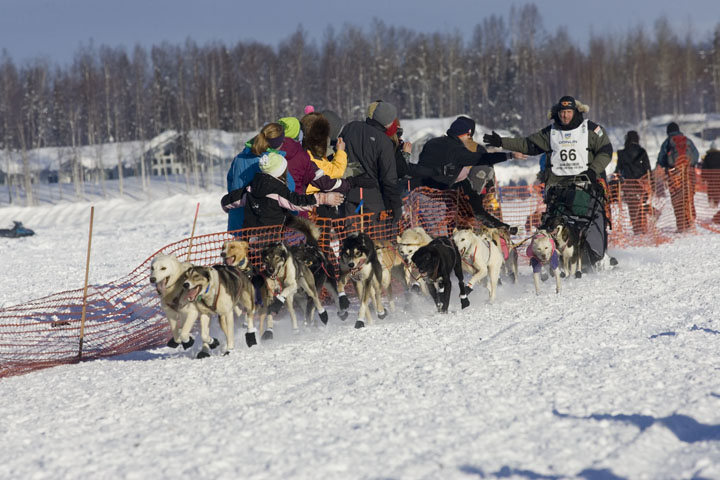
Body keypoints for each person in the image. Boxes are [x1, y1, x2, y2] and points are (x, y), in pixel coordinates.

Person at [484, 96, 615, 267]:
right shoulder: (551, 132)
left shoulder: (591, 129)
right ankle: (552, 260)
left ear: (576, 112)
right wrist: (502, 142)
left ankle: (596, 255)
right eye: (562, 112)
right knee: (553, 223)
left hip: (586, 184)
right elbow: (528, 145)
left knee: (590, 220)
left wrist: (593, 170)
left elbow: (605, 151)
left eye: (568, 112)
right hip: (558, 187)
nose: (565, 116)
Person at [417, 116, 519, 230]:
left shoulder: (432, 142)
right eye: (468, 136)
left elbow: (422, 162)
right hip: (446, 191)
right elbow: (482, 159)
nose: (469, 138)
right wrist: (508, 155)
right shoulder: (457, 149)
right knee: (475, 210)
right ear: (464, 134)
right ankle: (502, 228)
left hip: (422, 191)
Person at [243, 152, 344, 228]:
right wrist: (323, 198)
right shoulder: (277, 189)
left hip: (250, 236)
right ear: (280, 172)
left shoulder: (251, 186)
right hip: (270, 240)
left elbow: (234, 198)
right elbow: (295, 201)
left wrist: (226, 203)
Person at [340, 100, 403, 221]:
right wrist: (395, 205)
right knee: (374, 238)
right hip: (373, 198)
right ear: (389, 122)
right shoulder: (384, 142)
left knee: (351, 237)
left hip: (348, 192)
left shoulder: (350, 127)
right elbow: (389, 178)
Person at [226, 123, 295, 232]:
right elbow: (288, 190)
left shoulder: (239, 158)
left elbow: (231, 185)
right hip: (261, 225)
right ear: (278, 143)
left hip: (238, 219)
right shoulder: (272, 162)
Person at [657, 121, 700, 232]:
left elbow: (661, 159)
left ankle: (681, 226)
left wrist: (663, 167)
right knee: (688, 196)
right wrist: (690, 165)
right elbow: (696, 155)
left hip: (674, 173)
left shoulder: (667, 142)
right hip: (688, 172)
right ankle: (690, 222)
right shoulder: (687, 141)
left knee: (677, 199)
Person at [614, 130, 652, 234]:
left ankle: (637, 229)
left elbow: (618, 170)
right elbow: (647, 169)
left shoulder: (622, 153)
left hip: (628, 184)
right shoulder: (642, 152)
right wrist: (650, 181)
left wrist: (615, 182)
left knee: (633, 206)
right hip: (641, 183)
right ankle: (643, 228)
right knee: (641, 204)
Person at [702, 141, 720, 208]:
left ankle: (711, 202)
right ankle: (716, 202)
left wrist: (703, 177)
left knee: (711, 189)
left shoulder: (707, 156)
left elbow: (704, 167)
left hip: (710, 176)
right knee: (718, 188)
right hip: (718, 175)